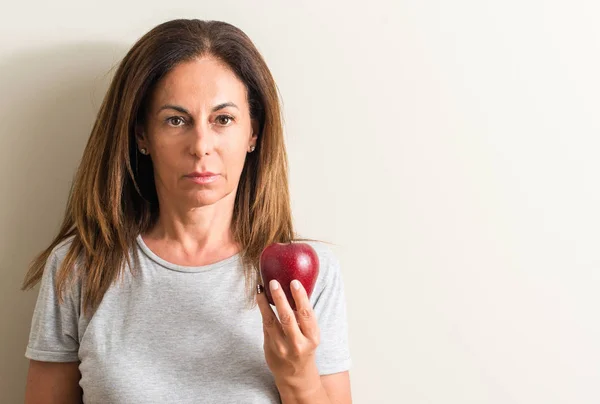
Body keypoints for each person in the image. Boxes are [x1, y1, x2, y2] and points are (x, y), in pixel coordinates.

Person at [21, 18, 352, 404]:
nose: (200, 145)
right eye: (176, 120)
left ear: (253, 134)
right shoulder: (77, 268)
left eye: (223, 119)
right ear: (142, 135)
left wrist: (296, 376)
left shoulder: (310, 277)